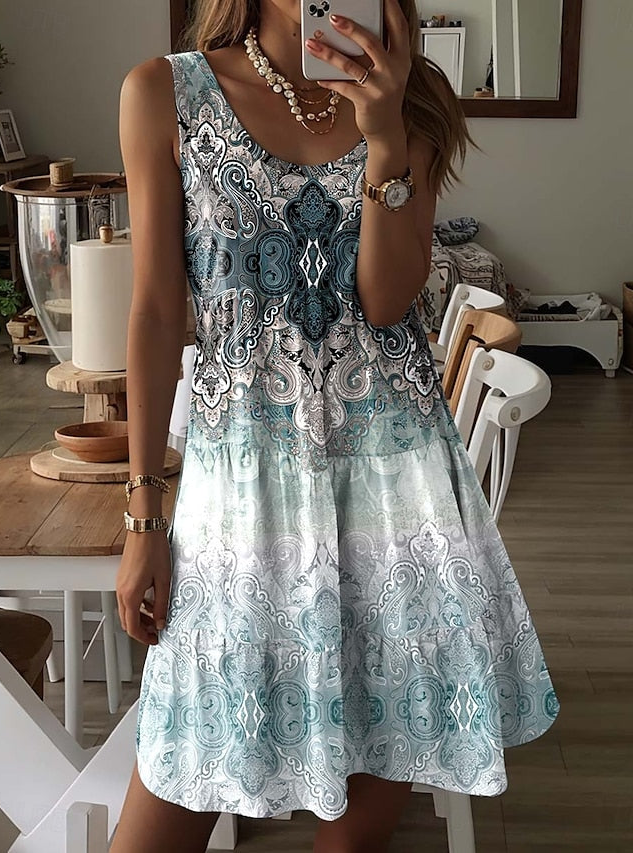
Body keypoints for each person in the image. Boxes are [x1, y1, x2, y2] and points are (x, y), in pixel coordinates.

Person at [111, 1, 559, 851]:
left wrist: (385, 138)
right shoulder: (165, 94)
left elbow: (386, 301)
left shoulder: (411, 94)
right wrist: (143, 516)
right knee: (165, 804)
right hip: (239, 502)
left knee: (354, 835)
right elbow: (157, 312)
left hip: (395, 496)